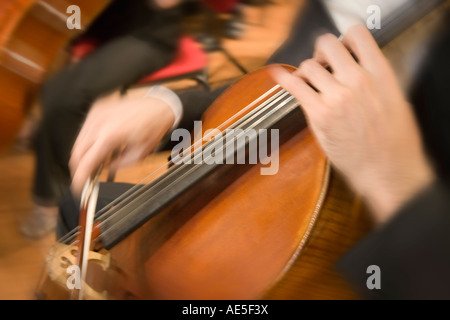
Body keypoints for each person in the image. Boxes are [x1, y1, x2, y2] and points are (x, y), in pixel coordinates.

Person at [64, 1, 450, 298]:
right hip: (257, 195)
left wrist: (397, 184)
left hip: (370, 267)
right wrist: (169, 107)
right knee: (80, 214)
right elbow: (283, 87)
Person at [21, 0, 183, 239]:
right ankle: (44, 132)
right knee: (38, 65)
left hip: (144, 32)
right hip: (94, 22)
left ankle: (50, 200)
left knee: (61, 95)